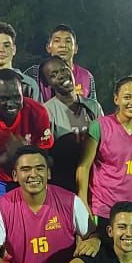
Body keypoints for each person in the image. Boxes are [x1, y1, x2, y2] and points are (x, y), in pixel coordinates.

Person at [0, 70, 55, 212]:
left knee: (34, 215)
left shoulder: (38, 112)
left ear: (23, 92)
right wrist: (6, 157)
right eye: (4, 98)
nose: (11, 104)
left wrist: (23, 154)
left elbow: (44, 159)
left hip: (28, 174)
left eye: (16, 97)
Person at [76, 76, 132, 224]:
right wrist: (83, 203)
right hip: (104, 209)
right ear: (116, 99)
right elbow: (84, 166)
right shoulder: (99, 126)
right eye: (127, 97)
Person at [40, 56, 104, 192]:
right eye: (53, 75)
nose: (61, 75)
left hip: (94, 182)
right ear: (48, 83)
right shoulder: (46, 112)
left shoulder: (93, 106)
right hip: (63, 183)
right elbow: (44, 155)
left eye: (63, 69)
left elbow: (106, 143)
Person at [32, 24, 96, 102]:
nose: (63, 45)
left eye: (68, 41)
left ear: (75, 49)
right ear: (48, 48)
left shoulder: (87, 77)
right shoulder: (35, 72)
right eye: (57, 41)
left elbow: (92, 109)